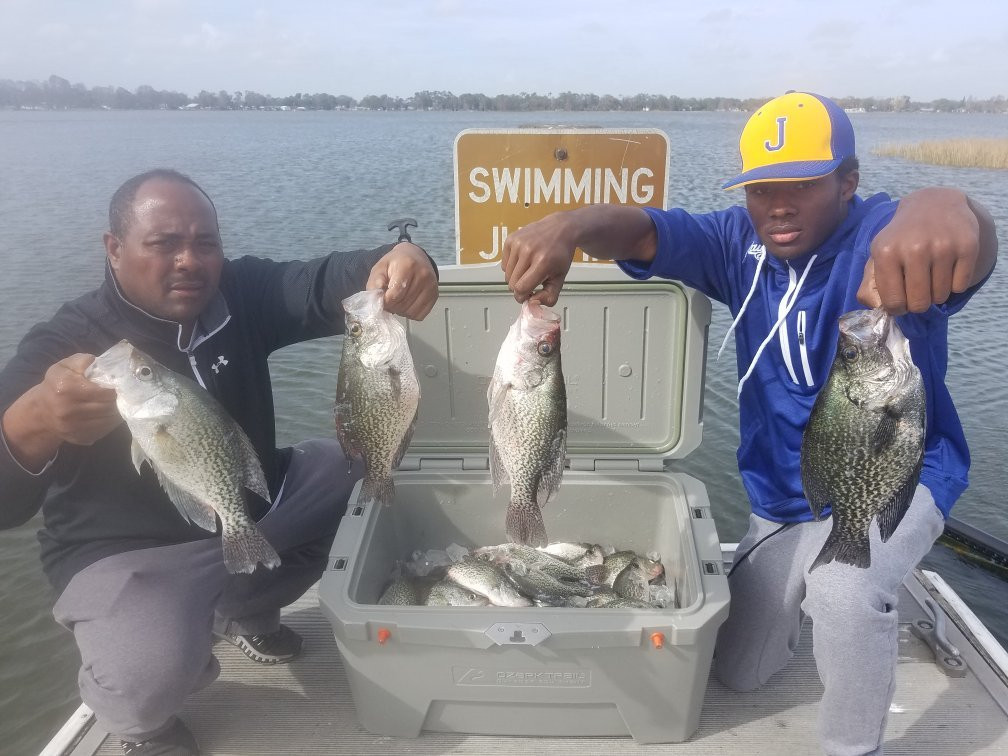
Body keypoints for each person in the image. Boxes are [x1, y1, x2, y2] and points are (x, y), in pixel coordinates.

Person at [500, 91, 998, 755]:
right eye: (763, 189)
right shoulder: (738, 244)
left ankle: (854, 740)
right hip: (781, 502)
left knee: (843, 591)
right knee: (738, 672)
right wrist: (569, 226)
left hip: (894, 473)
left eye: (803, 185)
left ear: (848, 183)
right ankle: (806, 600)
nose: (779, 205)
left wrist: (946, 202)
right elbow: (642, 230)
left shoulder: (886, 243)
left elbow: (968, 247)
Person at [0, 168, 439, 755]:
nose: (189, 261)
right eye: (163, 244)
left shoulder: (239, 292)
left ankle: (244, 606)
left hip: (245, 504)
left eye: (205, 243)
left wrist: (403, 256)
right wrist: (35, 421)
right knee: (142, 681)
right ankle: (143, 728)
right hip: (125, 554)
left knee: (360, 474)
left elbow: (323, 280)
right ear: (113, 248)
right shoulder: (64, 344)